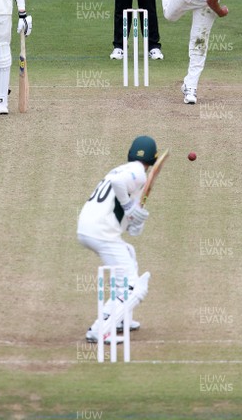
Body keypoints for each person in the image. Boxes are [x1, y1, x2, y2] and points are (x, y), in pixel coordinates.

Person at [77, 135, 157, 342]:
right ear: (153, 160)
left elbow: (128, 224)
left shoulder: (122, 169)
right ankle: (99, 330)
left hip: (89, 228)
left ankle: (121, 319)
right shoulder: (137, 173)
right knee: (133, 287)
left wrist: (136, 221)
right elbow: (118, 185)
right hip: (101, 233)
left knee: (129, 253)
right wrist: (130, 207)